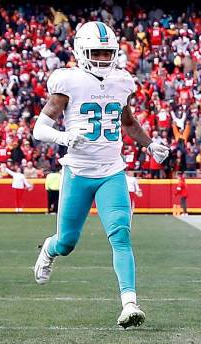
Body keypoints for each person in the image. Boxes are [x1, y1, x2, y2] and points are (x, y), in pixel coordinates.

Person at [32, 22, 170, 328]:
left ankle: (130, 303)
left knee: (121, 235)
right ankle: (49, 248)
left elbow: (128, 122)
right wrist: (64, 138)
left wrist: (150, 144)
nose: (102, 58)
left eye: (107, 53)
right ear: (81, 51)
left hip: (111, 170)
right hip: (79, 171)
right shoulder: (69, 81)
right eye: (96, 52)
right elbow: (39, 128)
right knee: (67, 242)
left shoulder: (121, 81)